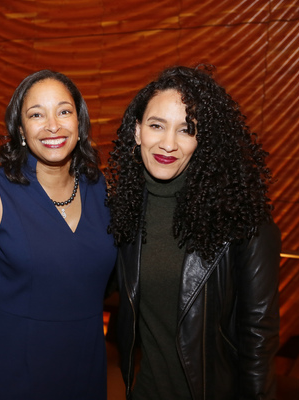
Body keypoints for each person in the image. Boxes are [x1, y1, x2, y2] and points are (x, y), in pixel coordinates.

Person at [106, 65, 281, 400]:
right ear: (137, 130)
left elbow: (258, 339)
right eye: (157, 126)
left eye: (187, 130)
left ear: (203, 140)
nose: (168, 144)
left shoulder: (244, 220)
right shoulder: (123, 211)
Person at [0, 70, 117, 399]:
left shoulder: (101, 188)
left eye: (64, 111)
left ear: (79, 122)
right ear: (21, 130)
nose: (53, 125)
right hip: (16, 367)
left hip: (87, 363)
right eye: (37, 114)